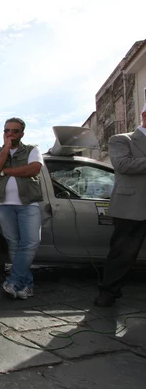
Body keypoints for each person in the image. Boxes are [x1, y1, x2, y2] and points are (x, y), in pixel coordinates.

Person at [0, 118, 43, 300]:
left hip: (27, 204)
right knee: (14, 243)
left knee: (31, 242)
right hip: (2, 204)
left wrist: (4, 172)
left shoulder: (32, 150)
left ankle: (12, 281)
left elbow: (33, 169)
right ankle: (25, 285)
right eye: (7, 131)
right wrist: (5, 148)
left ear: (22, 134)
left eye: (15, 131)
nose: (10, 134)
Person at [95, 104, 146, 307]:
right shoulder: (122, 139)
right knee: (123, 254)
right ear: (144, 115)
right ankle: (108, 292)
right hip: (131, 207)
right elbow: (123, 165)